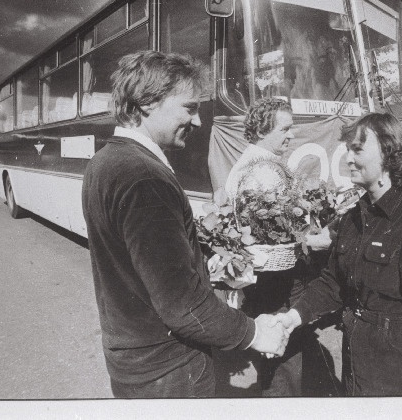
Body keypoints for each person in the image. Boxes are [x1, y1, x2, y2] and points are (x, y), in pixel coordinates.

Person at [82, 51, 288, 398]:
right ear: (147, 103)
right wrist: (254, 333)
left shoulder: (104, 162)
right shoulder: (145, 176)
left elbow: (138, 267)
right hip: (170, 370)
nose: (197, 121)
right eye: (189, 108)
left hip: (133, 361)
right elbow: (181, 304)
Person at [276, 112, 402, 396]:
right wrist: (295, 316)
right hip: (358, 368)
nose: (348, 158)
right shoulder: (354, 218)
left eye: (357, 149)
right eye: (348, 149)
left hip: (398, 379)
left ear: (388, 153)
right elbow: (333, 282)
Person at [223, 97, 330, 397]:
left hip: (269, 280)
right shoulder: (261, 172)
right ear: (261, 130)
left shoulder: (259, 164)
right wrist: (312, 239)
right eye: (285, 128)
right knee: (282, 364)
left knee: (286, 358)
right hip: (274, 282)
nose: (292, 135)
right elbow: (272, 235)